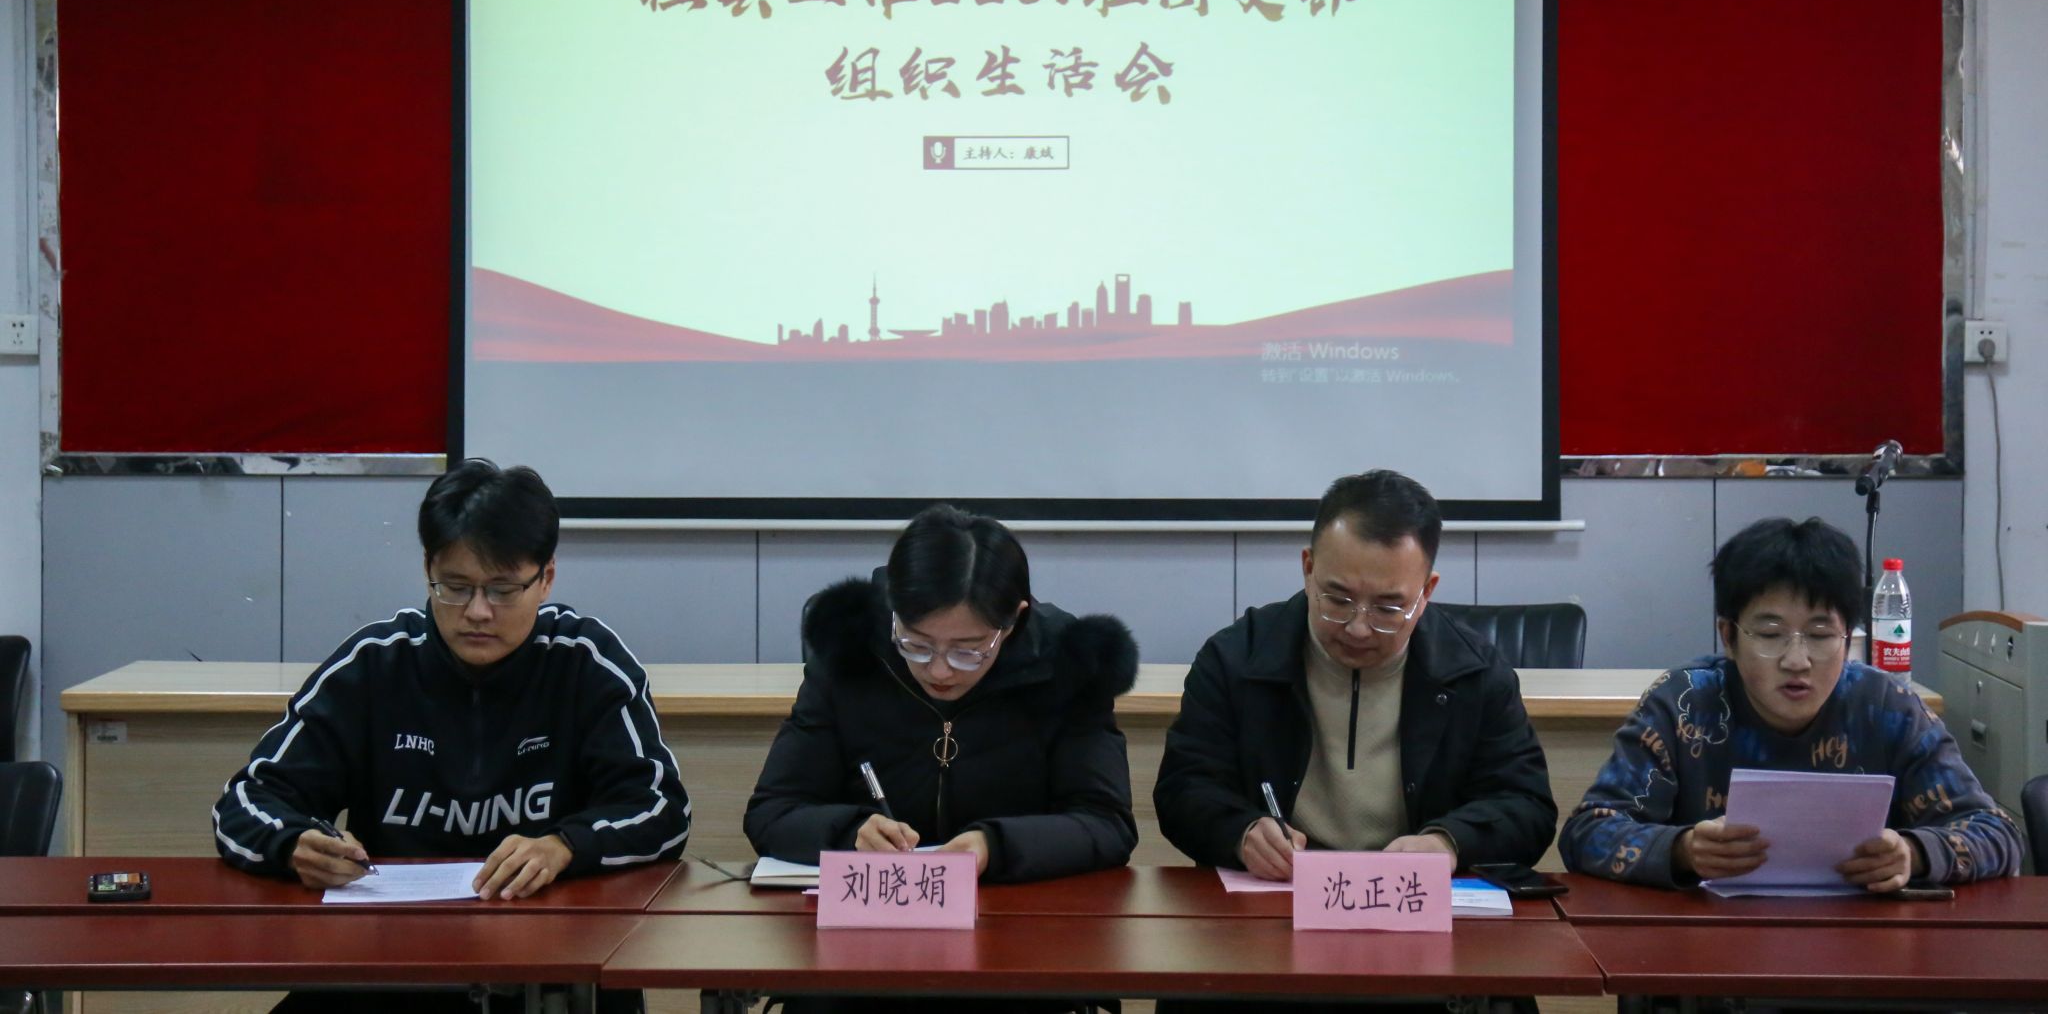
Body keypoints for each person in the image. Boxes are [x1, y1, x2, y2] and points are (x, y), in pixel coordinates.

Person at [212, 460, 689, 1010]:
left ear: (546, 578)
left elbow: (661, 809)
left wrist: (566, 845)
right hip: (393, 963)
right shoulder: (375, 664)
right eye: (455, 587)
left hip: (557, 965)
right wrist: (292, 842)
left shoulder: (587, 663)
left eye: (503, 589)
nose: (477, 612)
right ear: (427, 570)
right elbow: (245, 801)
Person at [1560, 515, 2022, 890]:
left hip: (1864, 947)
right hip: (1711, 947)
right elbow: (1588, 832)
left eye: (1820, 635)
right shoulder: (1683, 705)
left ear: (1848, 638)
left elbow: (1997, 833)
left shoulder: (1887, 708)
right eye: (1770, 634)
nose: (1797, 660)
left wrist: (1916, 853)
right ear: (1728, 636)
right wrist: (1682, 850)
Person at [1156, 469, 1555, 877]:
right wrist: (1241, 831)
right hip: (1278, 893)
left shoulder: (1474, 672)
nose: (1358, 627)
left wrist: (1449, 842)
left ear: (1426, 593)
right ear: (1308, 569)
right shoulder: (1237, 658)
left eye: (1387, 608)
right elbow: (1182, 789)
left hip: (1411, 898)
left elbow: (1527, 806)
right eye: (1338, 599)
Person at [745, 503, 1140, 885]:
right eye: (916, 645)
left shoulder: (1068, 666)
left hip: (1016, 909)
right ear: (894, 612)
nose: (939, 671)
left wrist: (994, 846)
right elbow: (773, 812)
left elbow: (1106, 824)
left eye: (968, 651)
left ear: (1012, 621)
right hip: (873, 905)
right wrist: (852, 833)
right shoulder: (852, 652)